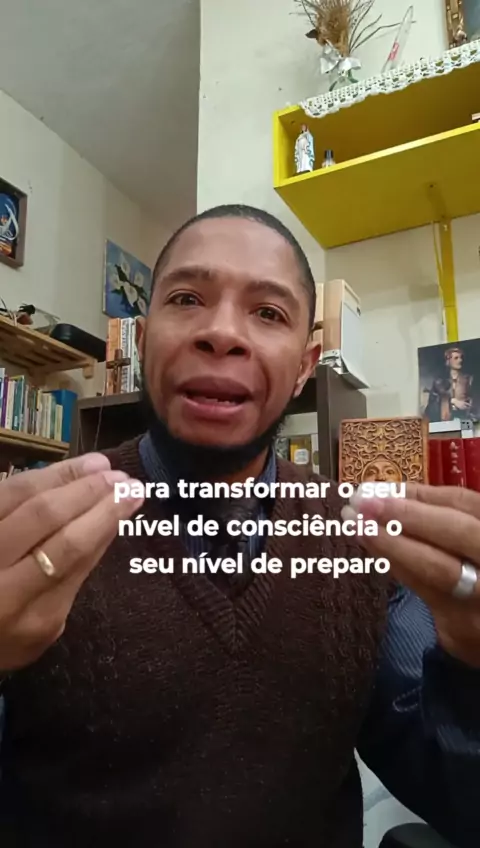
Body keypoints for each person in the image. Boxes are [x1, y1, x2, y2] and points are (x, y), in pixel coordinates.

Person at [0, 205, 479, 848]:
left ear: (305, 366)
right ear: (143, 339)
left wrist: (472, 659)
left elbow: (461, 800)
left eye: (269, 312)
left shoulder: (359, 537)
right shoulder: (40, 531)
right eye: (187, 299)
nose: (222, 333)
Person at [424, 346, 475, 423]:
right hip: (444, 420)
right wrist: (453, 401)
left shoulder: (468, 379)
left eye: (461, 358)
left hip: (463, 419)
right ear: (448, 361)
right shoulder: (439, 381)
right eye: (456, 358)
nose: (460, 360)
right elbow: (433, 402)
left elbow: (473, 401)